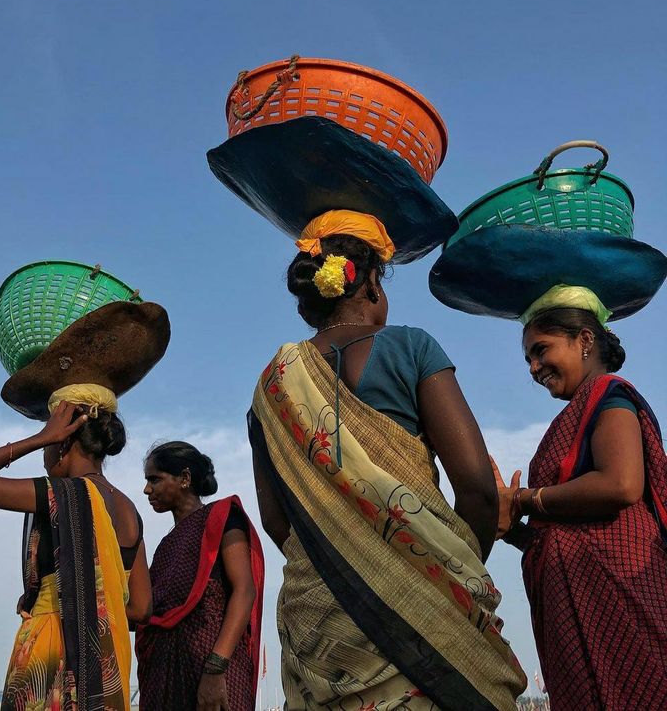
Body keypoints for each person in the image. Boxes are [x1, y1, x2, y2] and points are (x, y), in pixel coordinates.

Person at [248, 210, 526, 710]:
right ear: (373, 284)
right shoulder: (413, 347)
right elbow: (480, 490)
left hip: (319, 622)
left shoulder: (270, 388)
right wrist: (442, 573)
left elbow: (275, 521)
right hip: (425, 626)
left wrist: (341, 556)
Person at [495, 302, 667, 709]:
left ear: (584, 340)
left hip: (624, 596)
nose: (534, 368)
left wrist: (523, 500)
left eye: (541, 350)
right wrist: (512, 528)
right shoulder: (576, 413)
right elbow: (568, 532)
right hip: (575, 605)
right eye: (529, 359)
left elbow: (622, 484)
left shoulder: (611, 397)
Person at [0, 399, 150, 711]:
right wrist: (89, 605)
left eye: (49, 444)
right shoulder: (127, 510)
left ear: (62, 442)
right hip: (108, 663)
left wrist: (39, 438)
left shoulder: (64, 493)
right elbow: (141, 608)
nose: (43, 457)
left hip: (52, 648)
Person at [136, 441, 264, 711]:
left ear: (184, 478)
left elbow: (245, 590)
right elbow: (148, 612)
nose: (147, 489)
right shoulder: (165, 546)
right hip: (163, 673)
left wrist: (216, 668)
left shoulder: (222, 518)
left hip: (213, 667)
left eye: (155, 479)